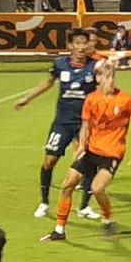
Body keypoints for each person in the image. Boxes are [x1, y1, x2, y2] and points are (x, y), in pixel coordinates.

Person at [41, 60, 131, 241]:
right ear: (98, 79)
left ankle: (108, 219)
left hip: (112, 153)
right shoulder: (91, 99)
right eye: (106, 77)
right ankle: (59, 230)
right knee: (67, 185)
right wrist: (81, 145)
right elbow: (86, 125)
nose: (111, 81)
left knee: (97, 188)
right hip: (91, 151)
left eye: (112, 77)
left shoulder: (126, 99)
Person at [14, 28, 101, 220]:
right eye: (77, 43)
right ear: (70, 46)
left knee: (85, 162)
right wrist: (27, 99)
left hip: (85, 124)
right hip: (62, 122)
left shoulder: (95, 67)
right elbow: (47, 84)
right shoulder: (60, 65)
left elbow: (105, 89)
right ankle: (44, 202)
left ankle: (84, 207)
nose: (81, 47)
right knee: (49, 161)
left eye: (84, 43)